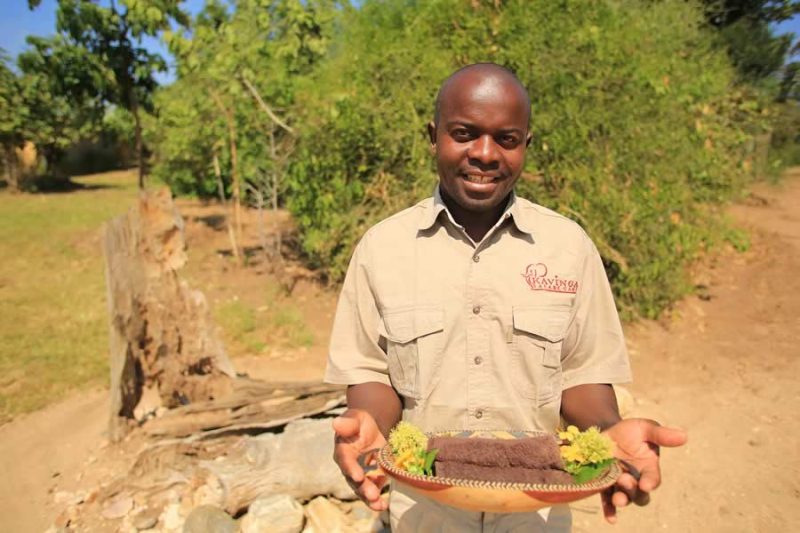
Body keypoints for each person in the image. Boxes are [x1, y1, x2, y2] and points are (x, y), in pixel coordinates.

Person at [326, 63, 687, 531]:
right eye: (464, 133)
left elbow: (583, 374)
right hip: (423, 512)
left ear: (526, 146)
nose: (484, 153)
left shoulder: (568, 247)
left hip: (536, 510)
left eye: (506, 139)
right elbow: (372, 373)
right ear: (433, 137)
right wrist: (368, 422)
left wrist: (605, 432)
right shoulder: (383, 249)